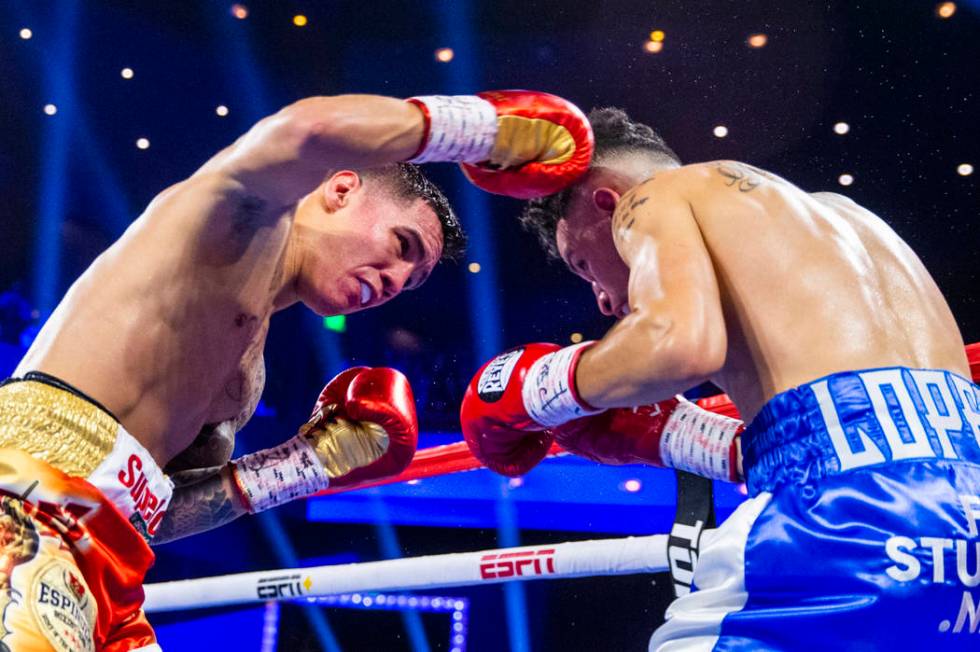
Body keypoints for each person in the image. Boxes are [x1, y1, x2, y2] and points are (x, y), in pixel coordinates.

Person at [0, 90, 592, 650]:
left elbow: (155, 510)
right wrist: (479, 130)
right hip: (21, 502)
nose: (392, 282)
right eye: (401, 245)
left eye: (409, 283)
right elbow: (305, 129)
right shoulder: (231, 223)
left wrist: (305, 465)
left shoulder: (245, 379)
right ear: (340, 189)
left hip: (106, 569)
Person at [459, 106, 980, 648]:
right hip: (965, 528)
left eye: (583, 265)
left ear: (608, 202)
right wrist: (685, 436)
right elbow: (870, 430)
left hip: (841, 521)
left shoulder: (654, 196)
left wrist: (541, 389)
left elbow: (678, 346)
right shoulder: (852, 220)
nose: (606, 300)